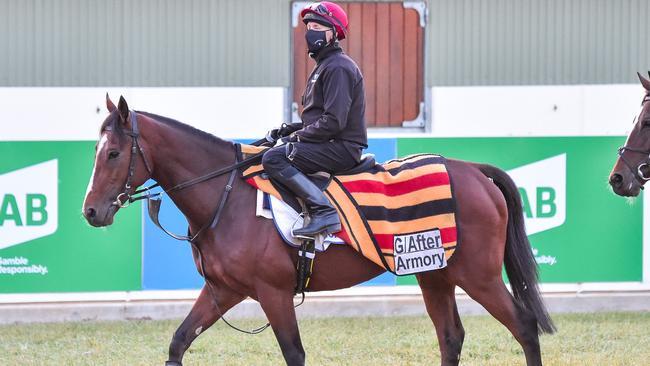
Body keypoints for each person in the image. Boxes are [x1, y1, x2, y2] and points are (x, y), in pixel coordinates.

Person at [262, 1, 367, 237]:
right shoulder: (324, 66)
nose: (311, 31)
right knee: (268, 150)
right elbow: (318, 121)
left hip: (342, 148)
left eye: (318, 26)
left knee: (275, 159)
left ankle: (324, 212)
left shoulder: (338, 67)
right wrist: (288, 131)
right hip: (329, 143)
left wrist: (296, 138)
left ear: (334, 33)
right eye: (309, 26)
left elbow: (333, 122)